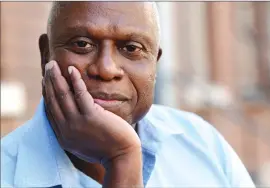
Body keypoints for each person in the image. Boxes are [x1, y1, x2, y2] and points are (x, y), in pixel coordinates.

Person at [1, 2, 255, 188]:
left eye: (132, 48)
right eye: (81, 44)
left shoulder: (204, 144)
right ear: (46, 55)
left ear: (155, 63)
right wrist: (122, 159)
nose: (106, 68)